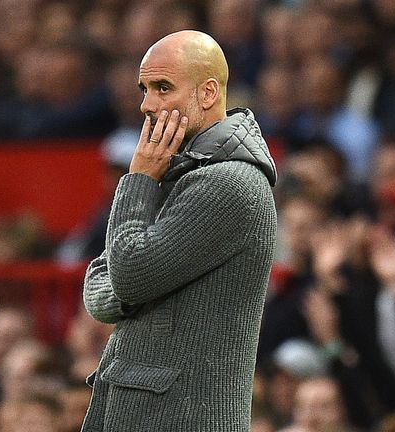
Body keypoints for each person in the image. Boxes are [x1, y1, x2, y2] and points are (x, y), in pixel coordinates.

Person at [82, 30, 277, 431]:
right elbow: (99, 288)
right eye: (144, 89)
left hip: (184, 417)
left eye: (163, 88)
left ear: (208, 93)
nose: (146, 105)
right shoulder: (177, 172)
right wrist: (129, 279)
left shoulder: (230, 183)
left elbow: (129, 274)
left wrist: (137, 179)